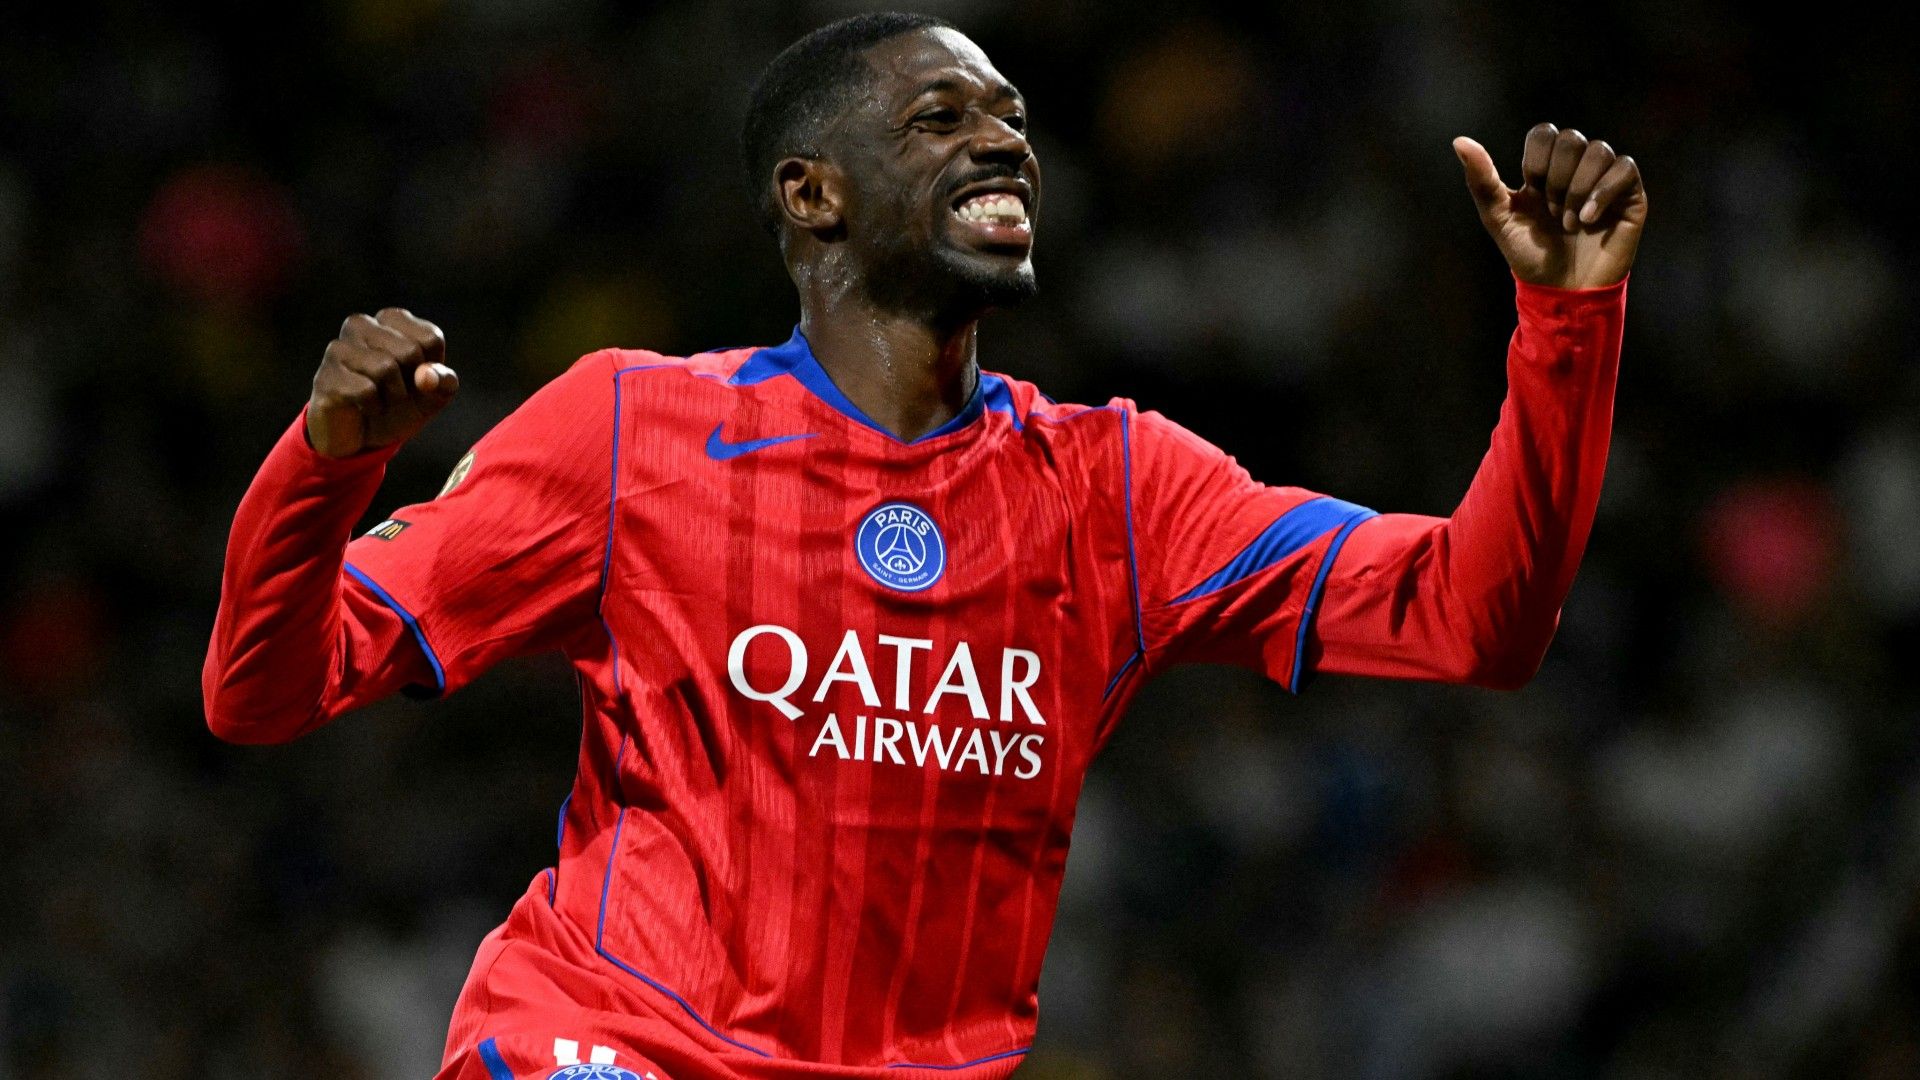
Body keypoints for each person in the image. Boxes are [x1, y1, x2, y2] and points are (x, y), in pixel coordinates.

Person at [203, 11, 1644, 1080]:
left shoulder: (1117, 488)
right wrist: (326, 466)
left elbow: (1473, 620)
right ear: (812, 193)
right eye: (941, 118)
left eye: (1011, 116)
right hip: (612, 1043)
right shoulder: (631, 428)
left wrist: (1569, 326)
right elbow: (264, 691)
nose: (1003, 140)